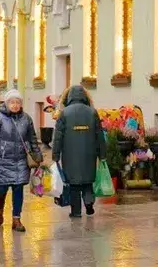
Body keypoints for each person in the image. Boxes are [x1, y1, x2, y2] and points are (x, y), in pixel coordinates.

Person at [0, 89, 41, 232]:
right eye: (12, 102)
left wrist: (37, 155)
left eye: (18, 102)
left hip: (20, 159)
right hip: (2, 159)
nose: (15, 105)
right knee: (2, 189)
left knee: (18, 189)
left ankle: (16, 219)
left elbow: (32, 138)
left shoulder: (26, 118)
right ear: (7, 103)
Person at [52, 85, 106, 219]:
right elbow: (99, 135)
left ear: (69, 97)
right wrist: (102, 154)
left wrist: (55, 155)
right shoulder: (92, 112)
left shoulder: (64, 113)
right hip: (89, 154)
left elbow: (58, 137)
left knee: (74, 184)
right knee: (88, 182)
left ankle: (76, 212)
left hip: (70, 155)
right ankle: (88, 204)